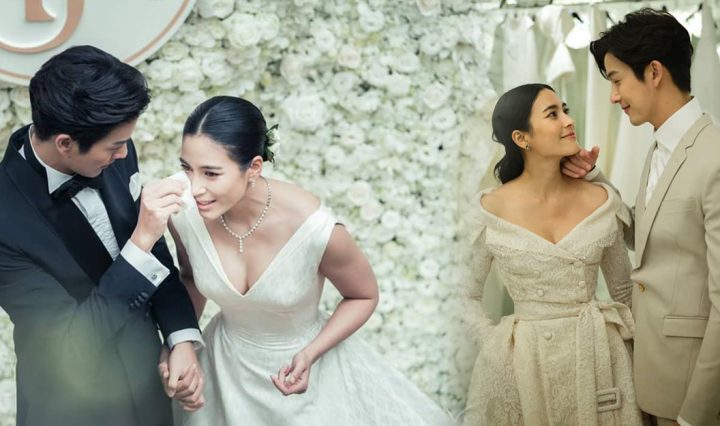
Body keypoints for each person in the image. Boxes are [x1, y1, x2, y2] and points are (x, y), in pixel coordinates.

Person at [167, 96, 452, 425]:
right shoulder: (183, 213)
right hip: (222, 374)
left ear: (254, 167)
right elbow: (191, 279)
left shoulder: (313, 228)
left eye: (211, 173)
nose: (194, 188)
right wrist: (180, 342)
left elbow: (363, 296)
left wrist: (311, 353)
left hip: (308, 374)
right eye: (187, 168)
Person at [0, 46, 203, 426]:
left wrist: (180, 337)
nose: (124, 153)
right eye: (115, 146)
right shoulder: (4, 219)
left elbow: (156, 252)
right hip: (71, 406)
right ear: (65, 143)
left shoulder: (113, 148)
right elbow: (71, 345)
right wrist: (140, 241)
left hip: (149, 382)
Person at [562, 8, 720, 426]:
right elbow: (647, 235)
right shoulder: (661, 146)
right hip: (653, 378)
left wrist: (696, 414)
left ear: (653, 72)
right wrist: (596, 181)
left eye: (617, 81)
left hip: (692, 395)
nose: (613, 97)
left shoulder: (714, 157)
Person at [462, 84, 642, 425]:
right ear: (521, 138)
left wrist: (646, 360)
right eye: (553, 114)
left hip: (600, 358)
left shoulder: (601, 200)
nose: (568, 120)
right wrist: (499, 347)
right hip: (524, 367)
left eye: (566, 109)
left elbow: (624, 291)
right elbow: (464, 295)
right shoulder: (488, 209)